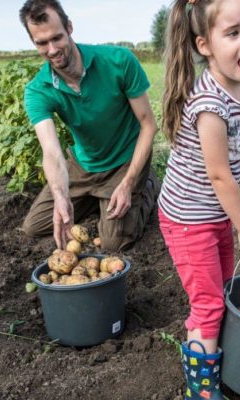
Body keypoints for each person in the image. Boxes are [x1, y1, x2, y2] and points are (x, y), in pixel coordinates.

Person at [158, 0, 240, 397]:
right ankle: (200, 391)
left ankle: (209, 340)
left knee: (220, 292)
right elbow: (219, 175)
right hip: (187, 219)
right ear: (204, 45)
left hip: (214, 214)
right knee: (210, 304)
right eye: (233, 33)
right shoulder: (210, 105)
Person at [19, 0, 159, 252]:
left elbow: (148, 125)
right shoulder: (37, 90)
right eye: (41, 43)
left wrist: (128, 183)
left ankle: (147, 185)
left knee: (113, 243)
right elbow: (51, 152)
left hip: (125, 161)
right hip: (84, 165)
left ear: (69, 27)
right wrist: (61, 198)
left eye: (56, 38)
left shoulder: (119, 61)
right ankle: (99, 198)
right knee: (35, 225)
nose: (51, 50)